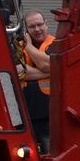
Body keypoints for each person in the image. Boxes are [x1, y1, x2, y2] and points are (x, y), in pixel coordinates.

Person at [20, 9, 54, 153]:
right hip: (25, 113)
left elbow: (47, 65)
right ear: (26, 29)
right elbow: (19, 71)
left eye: (40, 24)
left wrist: (27, 46)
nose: (37, 29)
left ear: (46, 24)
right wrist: (49, 73)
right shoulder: (17, 46)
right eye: (32, 26)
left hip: (49, 115)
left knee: (48, 154)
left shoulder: (55, 44)